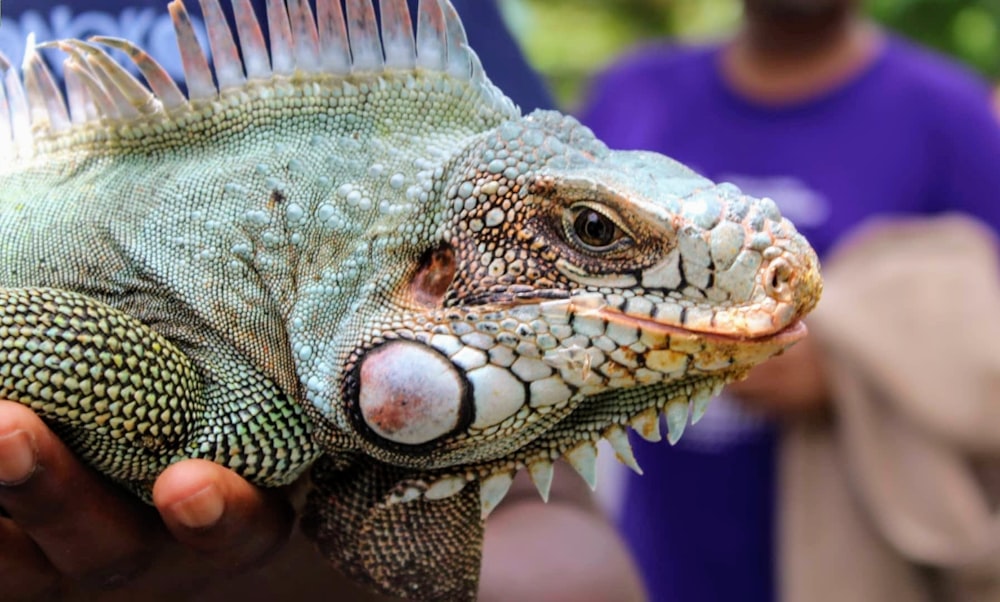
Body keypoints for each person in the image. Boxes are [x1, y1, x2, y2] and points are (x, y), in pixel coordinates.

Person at [0, 1, 644, 600]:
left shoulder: (436, 56)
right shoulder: (242, 408)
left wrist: (293, 575)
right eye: (594, 233)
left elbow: (552, 527)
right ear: (435, 271)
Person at [580, 0, 1000, 600]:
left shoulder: (947, 116)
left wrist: (850, 365)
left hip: (859, 561)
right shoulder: (633, 97)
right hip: (654, 556)